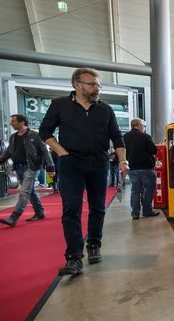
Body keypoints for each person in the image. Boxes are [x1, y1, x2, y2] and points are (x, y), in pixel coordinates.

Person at [39, 67, 129, 276]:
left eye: (98, 84)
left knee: (98, 208)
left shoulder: (105, 109)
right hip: (72, 164)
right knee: (72, 209)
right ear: (76, 85)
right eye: (91, 84)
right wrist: (63, 154)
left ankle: (94, 245)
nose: (96, 88)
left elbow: (117, 137)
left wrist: (123, 160)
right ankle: (74, 257)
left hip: (99, 163)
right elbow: (45, 132)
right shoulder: (60, 105)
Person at [0, 114, 55, 226]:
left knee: (24, 192)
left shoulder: (35, 135)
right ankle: (39, 212)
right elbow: (8, 153)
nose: (11, 123)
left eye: (13, 121)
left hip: (31, 167)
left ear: (21, 123)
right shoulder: (13, 137)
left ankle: (13, 217)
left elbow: (45, 151)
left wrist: (50, 167)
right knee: (30, 192)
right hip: (18, 168)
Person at [123, 118, 160, 220]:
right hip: (146, 168)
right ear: (139, 125)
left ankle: (135, 213)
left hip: (132, 168)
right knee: (150, 188)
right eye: (144, 126)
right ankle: (147, 210)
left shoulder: (125, 137)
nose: (144, 128)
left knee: (135, 191)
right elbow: (154, 150)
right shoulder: (145, 136)